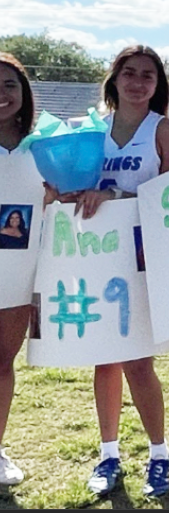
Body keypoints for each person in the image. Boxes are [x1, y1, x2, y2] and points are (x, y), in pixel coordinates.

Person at [42, 45, 169, 498]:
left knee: (139, 364)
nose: (138, 81)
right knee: (104, 359)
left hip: (143, 257)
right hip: (94, 255)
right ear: (115, 79)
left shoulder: (164, 131)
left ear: (157, 84)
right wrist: (62, 194)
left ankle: (159, 455)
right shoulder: (89, 129)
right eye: (129, 72)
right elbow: (68, 186)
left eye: (148, 75)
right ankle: (108, 454)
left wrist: (117, 197)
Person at [0, 51, 35, 487]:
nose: (2, 94)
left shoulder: (42, 146)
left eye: (10, 85)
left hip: (18, 276)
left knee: (2, 362)